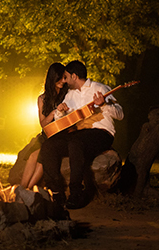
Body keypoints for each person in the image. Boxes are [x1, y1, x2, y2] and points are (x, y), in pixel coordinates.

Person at [38, 60, 124, 209]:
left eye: (66, 77)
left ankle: (76, 192)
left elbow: (120, 114)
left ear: (74, 76)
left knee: (75, 143)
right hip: (78, 134)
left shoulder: (100, 88)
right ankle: (57, 192)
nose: (64, 81)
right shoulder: (70, 95)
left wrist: (104, 105)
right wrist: (60, 111)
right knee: (49, 146)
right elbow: (61, 119)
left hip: (101, 133)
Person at [20, 62, 68, 189]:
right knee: (32, 155)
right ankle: (22, 187)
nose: (63, 81)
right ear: (52, 78)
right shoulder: (42, 98)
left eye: (64, 77)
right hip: (47, 133)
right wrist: (53, 113)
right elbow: (42, 123)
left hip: (60, 134)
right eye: (60, 78)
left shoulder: (67, 95)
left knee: (42, 158)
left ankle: (28, 188)